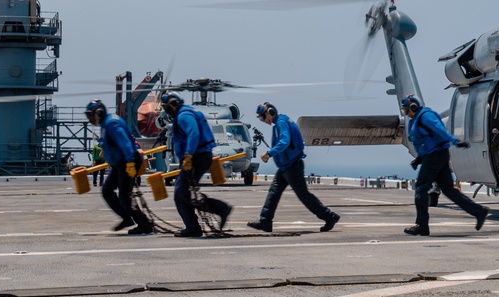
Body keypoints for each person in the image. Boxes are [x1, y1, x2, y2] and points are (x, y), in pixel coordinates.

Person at [401, 94, 488, 236]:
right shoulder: (417, 119)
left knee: (421, 189)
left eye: (406, 110)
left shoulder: (425, 117)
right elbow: (426, 141)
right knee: (448, 190)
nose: (407, 114)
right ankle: (479, 211)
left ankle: (422, 225)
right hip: (436, 155)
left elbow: (439, 130)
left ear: (413, 107)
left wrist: (455, 141)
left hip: (435, 156)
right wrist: (419, 159)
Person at [247, 102, 339, 233]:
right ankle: (265, 222)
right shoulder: (281, 122)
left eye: (263, 117)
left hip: (292, 166)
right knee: (274, 192)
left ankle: (330, 216)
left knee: (303, 195)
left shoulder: (281, 123)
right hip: (286, 167)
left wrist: (269, 153)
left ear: (270, 113)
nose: (263, 121)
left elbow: (284, 142)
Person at [161, 92, 232, 238]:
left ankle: (209, 216)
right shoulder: (186, 113)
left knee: (180, 193)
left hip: (196, 157)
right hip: (198, 156)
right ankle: (200, 221)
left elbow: (194, 133)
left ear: (172, 105)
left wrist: (188, 155)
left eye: (166, 107)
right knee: (184, 193)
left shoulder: (183, 116)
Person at [84, 100, 154, 235]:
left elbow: (125, 143)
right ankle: (127, 218)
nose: (90, 119)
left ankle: (144, 224)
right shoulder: (107, 124)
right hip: (121, 163)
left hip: (128, 161)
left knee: (125, 196)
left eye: (90, 115)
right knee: (107, 190)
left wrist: (129, 163)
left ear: (98, 113)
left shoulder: (112, 124)